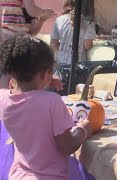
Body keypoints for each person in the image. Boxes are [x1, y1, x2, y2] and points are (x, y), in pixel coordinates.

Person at [0, 35, 92, 179]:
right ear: (44, 72)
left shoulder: (3, 99)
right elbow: (66, 147)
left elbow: (20, 90)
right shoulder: (52, 102)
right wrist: (82, 130)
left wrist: (44, 79)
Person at [0, 0, 56, 89]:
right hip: (16, 37)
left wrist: (42, 18)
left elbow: (31, 32)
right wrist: (45, 12)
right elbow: (32, 10)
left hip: (6, 33)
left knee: (6, 71)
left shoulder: (15, 10)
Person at [50, 0, 96, 65]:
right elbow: (87, 45)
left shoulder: (59, 20)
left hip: (61, 63)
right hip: (78, 63)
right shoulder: (88, 22)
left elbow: (53, 44)